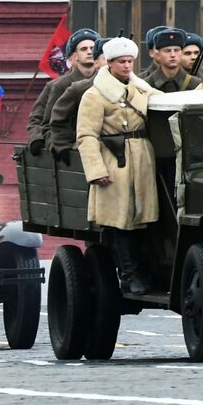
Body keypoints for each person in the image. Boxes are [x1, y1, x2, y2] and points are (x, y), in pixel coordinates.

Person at [76, 37, 160, 294]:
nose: (126, 66)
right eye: (121, 62)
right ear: (109, 63)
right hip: (115, 160)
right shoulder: (95, 94)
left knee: (143, 221)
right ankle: (128, 275)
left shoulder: (141, 88)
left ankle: (146, 273)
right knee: (120, 223)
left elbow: (169, 101)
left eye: (130, 61)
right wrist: (97, 170)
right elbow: (86, 135)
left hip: (143, 158)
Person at [29, 29, 99, 152]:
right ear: (74, 56)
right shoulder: (59, 86)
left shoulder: (105, 81)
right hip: (71, 146)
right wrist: (40, 139)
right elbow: (41, 120)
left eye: (92, 48)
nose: (89, 52)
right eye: (84, 49)